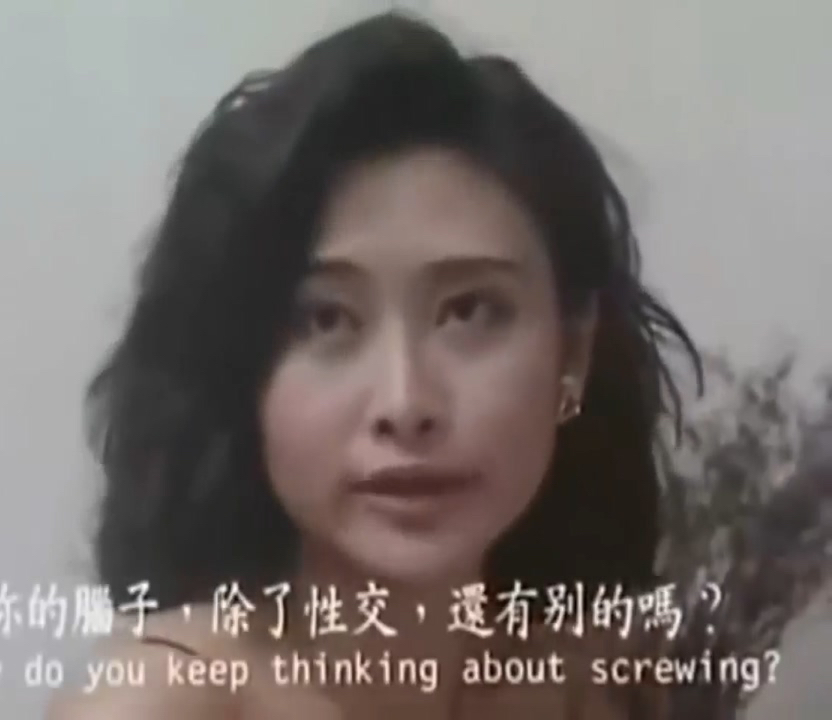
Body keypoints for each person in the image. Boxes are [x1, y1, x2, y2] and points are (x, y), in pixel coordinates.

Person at [50, 10, 702, 720]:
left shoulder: (595, 687)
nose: (406, 402)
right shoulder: (162, 703)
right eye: (325, 320)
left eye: (470, 312)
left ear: (571, 353)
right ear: (242, 369)